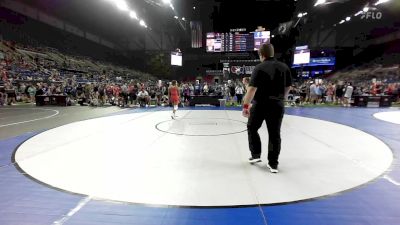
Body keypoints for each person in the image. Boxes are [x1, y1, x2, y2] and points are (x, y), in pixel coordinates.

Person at [242, 43, 292, 173]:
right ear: (272, 53)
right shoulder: (284, 67)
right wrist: (282, 99)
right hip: (277, 105)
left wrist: (246, 106)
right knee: (274, 134)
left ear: (261, 55)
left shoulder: (259, 68)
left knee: (252, 127)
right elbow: (288, 87)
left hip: (261, 104)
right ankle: (273, 164)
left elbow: (252, 89)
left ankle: (255, 155)